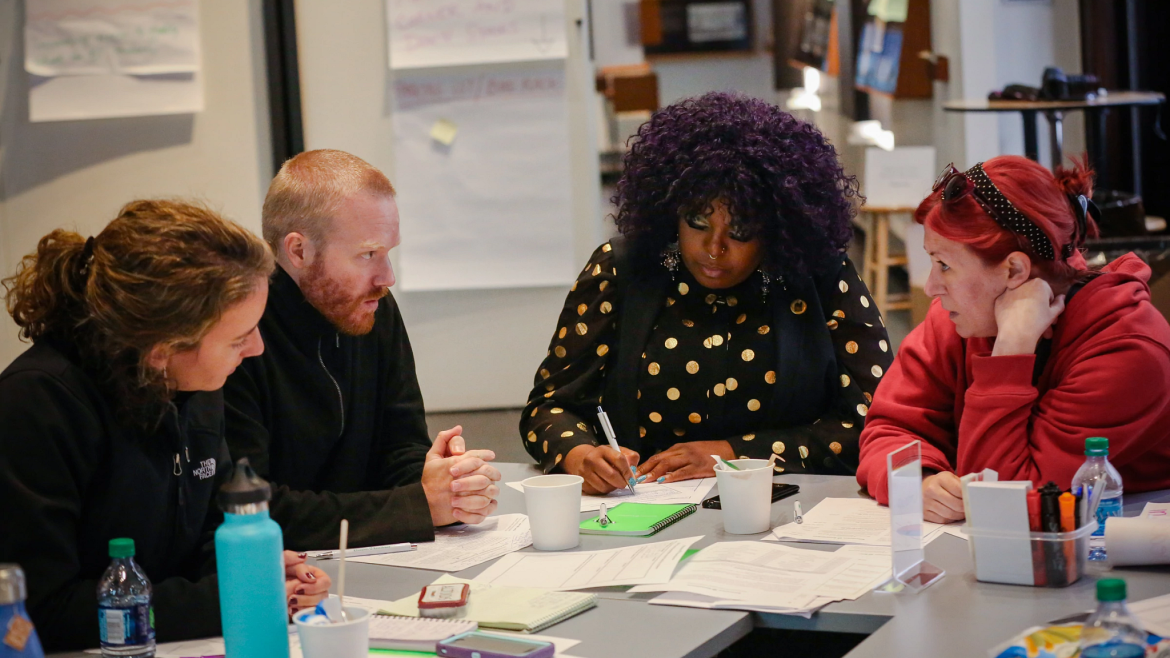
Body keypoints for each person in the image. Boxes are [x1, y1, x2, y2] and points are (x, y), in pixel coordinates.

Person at [519, 92, 892, 494]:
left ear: (776, 229)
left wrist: (732, 455)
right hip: (644, 508)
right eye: (697, 222)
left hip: (787, 510)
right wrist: (580, 456)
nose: (714, 248)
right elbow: (549, 408)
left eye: (740, 232)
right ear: (670, 210)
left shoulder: (818, 278)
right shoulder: (622, 271)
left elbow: (875, 424)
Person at [0, 201, 332, 650]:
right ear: (162, 349)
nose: (256, 349)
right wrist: (230, 599)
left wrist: (257, 573)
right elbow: (45, 611)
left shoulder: (196, 382)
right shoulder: (37, 405)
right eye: (238, 338)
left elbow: (212, 532)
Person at [857, 155, 1170, 523]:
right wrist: (917, 480)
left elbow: (1002, 500)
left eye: (944, 265)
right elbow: (889, 429)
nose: (931, 287)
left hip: (1116, 554)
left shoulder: (1128, 349)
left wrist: (1008, 354)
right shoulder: (964, 318)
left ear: (1014, 270)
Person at [223, 149, 500, 548]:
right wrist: (416, 506)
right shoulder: (240, 338)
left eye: (389, 253)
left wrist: (446, 483)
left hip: (373, 557)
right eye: (368, 254)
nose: (386, 277)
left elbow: (400, 444)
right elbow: (256, 510)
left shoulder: (374, 309)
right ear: (298, 251)